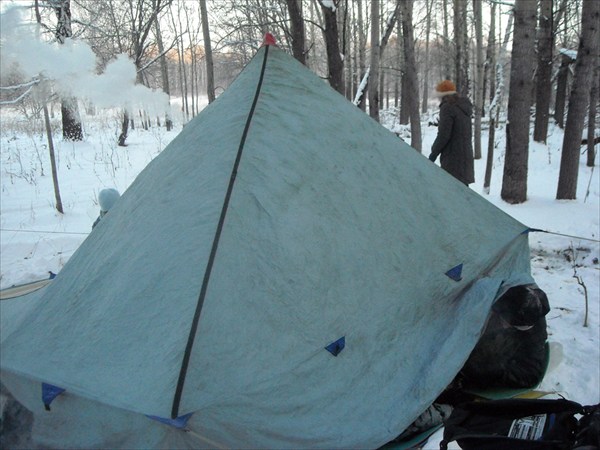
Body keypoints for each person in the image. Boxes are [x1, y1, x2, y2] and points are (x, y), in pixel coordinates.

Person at [428, 80, 475, 186]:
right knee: (462, 194)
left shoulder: (447, 108)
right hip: (466, 158)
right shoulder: (464, 108)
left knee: (451, 193)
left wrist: (433, 154)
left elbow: (444, 135)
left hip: (453, 160)